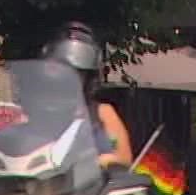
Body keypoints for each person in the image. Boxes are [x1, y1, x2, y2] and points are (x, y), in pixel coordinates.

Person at [41, 22, 133, 168]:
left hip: (92, 188)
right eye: (62, 71)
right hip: (48, 188)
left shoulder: (103, 113)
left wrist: (103, 161)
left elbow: (124, 159)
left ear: (89, 77)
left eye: (77, 72)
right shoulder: (38, 113)